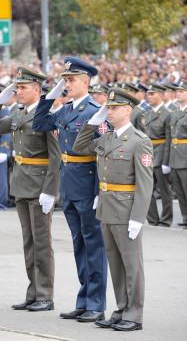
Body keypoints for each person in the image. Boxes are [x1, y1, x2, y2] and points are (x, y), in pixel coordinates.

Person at [33, 56, 107, 323]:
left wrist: (101, 191)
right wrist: (49, 97)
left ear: (86, 82)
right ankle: (84, 300)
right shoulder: (65, 110)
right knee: (79, 245)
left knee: (94, 244)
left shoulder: (94, 111)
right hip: (69, 183)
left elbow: (102, 154)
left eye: (71, 80)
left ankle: (96, 303)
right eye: (65, 80)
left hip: (87, 183)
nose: (67, 84)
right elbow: (39, 124)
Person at [73, 88, 153, 331]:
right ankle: (120, 309)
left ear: (127, 110)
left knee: (132, 265)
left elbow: (145, 183)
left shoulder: (140, 141)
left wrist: (138, 217)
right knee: (116, 264)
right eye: (108, 107)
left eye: (114, 108)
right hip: (107, 207)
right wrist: (92, 122)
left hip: (126, 209)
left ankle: (134, 314)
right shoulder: (107, 137)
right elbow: (80, 146)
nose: (109, 111)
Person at [0, 67, 61, 311]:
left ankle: (45, 295)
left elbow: (55, 157)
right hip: (20, 183)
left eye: (23, 87)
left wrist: (50, 190)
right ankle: (33, 291)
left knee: (42, 243)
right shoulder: (18, 113)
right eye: (16, 87)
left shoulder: (46, 114)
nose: (18, 91)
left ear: (37, 90)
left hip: (39, 186)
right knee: (29, 243)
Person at [145, 84, 173, 227]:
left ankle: (166, 219)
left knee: (164, 190)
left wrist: (166, 161)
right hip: (149, 154)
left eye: (152, 94)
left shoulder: (167, 114)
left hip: (161, 153)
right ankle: (152, 219)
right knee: (147, 189)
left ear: (161, 95)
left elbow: (169, 140)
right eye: (148, 94)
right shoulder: (148, 113)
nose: (149, 97)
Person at [169, 80, 187, 227]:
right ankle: (185, 217)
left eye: (182, 91)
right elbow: (171, 137)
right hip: (175, 156)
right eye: (177, 91)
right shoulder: (175, 111)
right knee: (179, 190)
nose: (178, 93)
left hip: (185, 156)